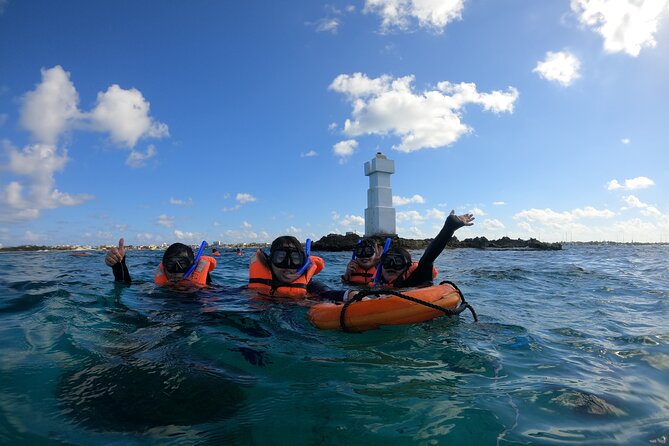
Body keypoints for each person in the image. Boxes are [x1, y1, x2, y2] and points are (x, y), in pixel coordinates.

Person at [375, 210, 474, 288]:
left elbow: (428, 257)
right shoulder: (376, 282)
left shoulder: (415, 278)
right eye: (387, 261)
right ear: (381, 264)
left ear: (407, 266)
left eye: (398, 261)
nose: (391, 265)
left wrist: (449, 227)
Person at [248, 235, 338, 299]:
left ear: (304, 262)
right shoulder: (252, 290)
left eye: (296, 259)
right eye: (280, 257)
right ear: (269, 261)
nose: (288, 265)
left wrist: (350, 295)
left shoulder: (312, 288)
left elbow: (330, 294)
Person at [105, 238, 217, 286]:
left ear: (193, 266)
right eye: (171, 264)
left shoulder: (209, 291)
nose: (176, 273)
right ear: (163, 266)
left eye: (182, 264)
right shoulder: (154, 289)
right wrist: (118, 265)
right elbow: (124, 285)